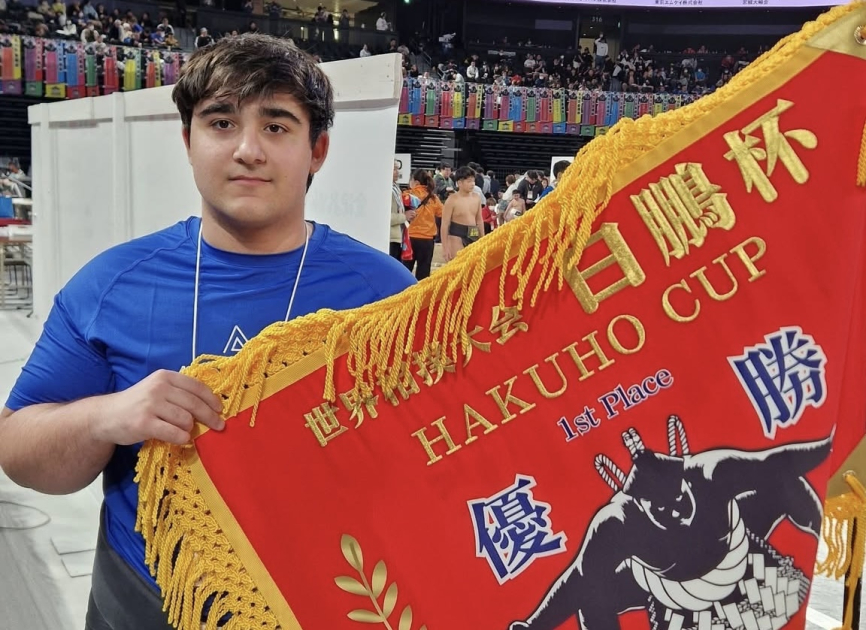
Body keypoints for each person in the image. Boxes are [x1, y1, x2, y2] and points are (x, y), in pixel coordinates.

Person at [0, 34, 416, 630]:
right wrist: (107, 416)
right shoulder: (112, 286)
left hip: (331, 600)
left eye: (276, 126)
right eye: (221, 122)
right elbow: (17, 450)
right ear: (188, 141)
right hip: (143, 603)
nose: (248, 150)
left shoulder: (385, 296)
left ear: (317, 150)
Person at [403, 169, 443, 280]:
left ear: (416, 182)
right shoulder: (433, 198)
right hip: (427, 239)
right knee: (424, 272)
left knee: (405, 270)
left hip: (410, 237)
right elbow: (441, 213)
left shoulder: (407, 195)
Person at [440, 166, 484, 262]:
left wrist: (483, 239)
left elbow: (479, 220)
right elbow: (445, 224)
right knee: (457, 265)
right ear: (459, 183)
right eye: (469, 181)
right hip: (456, 234)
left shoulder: (477, 198)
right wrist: (445, 248)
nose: (472, 184)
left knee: (472, 265)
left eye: (473, 181)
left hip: (473, 232)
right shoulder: (452, 200)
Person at [390, 159, 416, 260]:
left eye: (398, 169)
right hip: (391, 238)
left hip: (398, 237)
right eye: (394, 169)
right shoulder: (386, 190)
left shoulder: (396, 188)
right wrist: (404, 216)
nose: (398, 172)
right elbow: (386, 217)